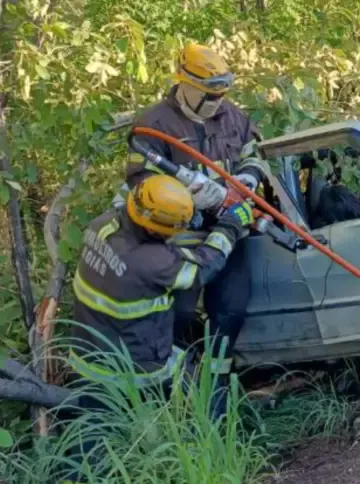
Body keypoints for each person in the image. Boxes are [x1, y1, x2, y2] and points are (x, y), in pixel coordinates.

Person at [67, 174, 253, 480]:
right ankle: (218, 449)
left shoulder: (102, 225)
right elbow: (203, 268)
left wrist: (185, 203)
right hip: (139, 366)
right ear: (156, 230)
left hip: (87, 357)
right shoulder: (151, 262)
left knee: (91, 439)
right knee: (203, 386)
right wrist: (231, 225)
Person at [121, 42, 268, 417]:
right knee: (180, 317)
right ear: (184, 83)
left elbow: (255, 153)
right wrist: (192, 197)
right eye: (209, 95)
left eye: (222, 94)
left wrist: (245, 181)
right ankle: (176, 393)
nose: (216, 103)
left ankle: (217, 388)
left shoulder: (233, 117)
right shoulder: (154, 126)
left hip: (231, 232)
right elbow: (140, 180)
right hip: (178, 238)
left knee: (231, 309)